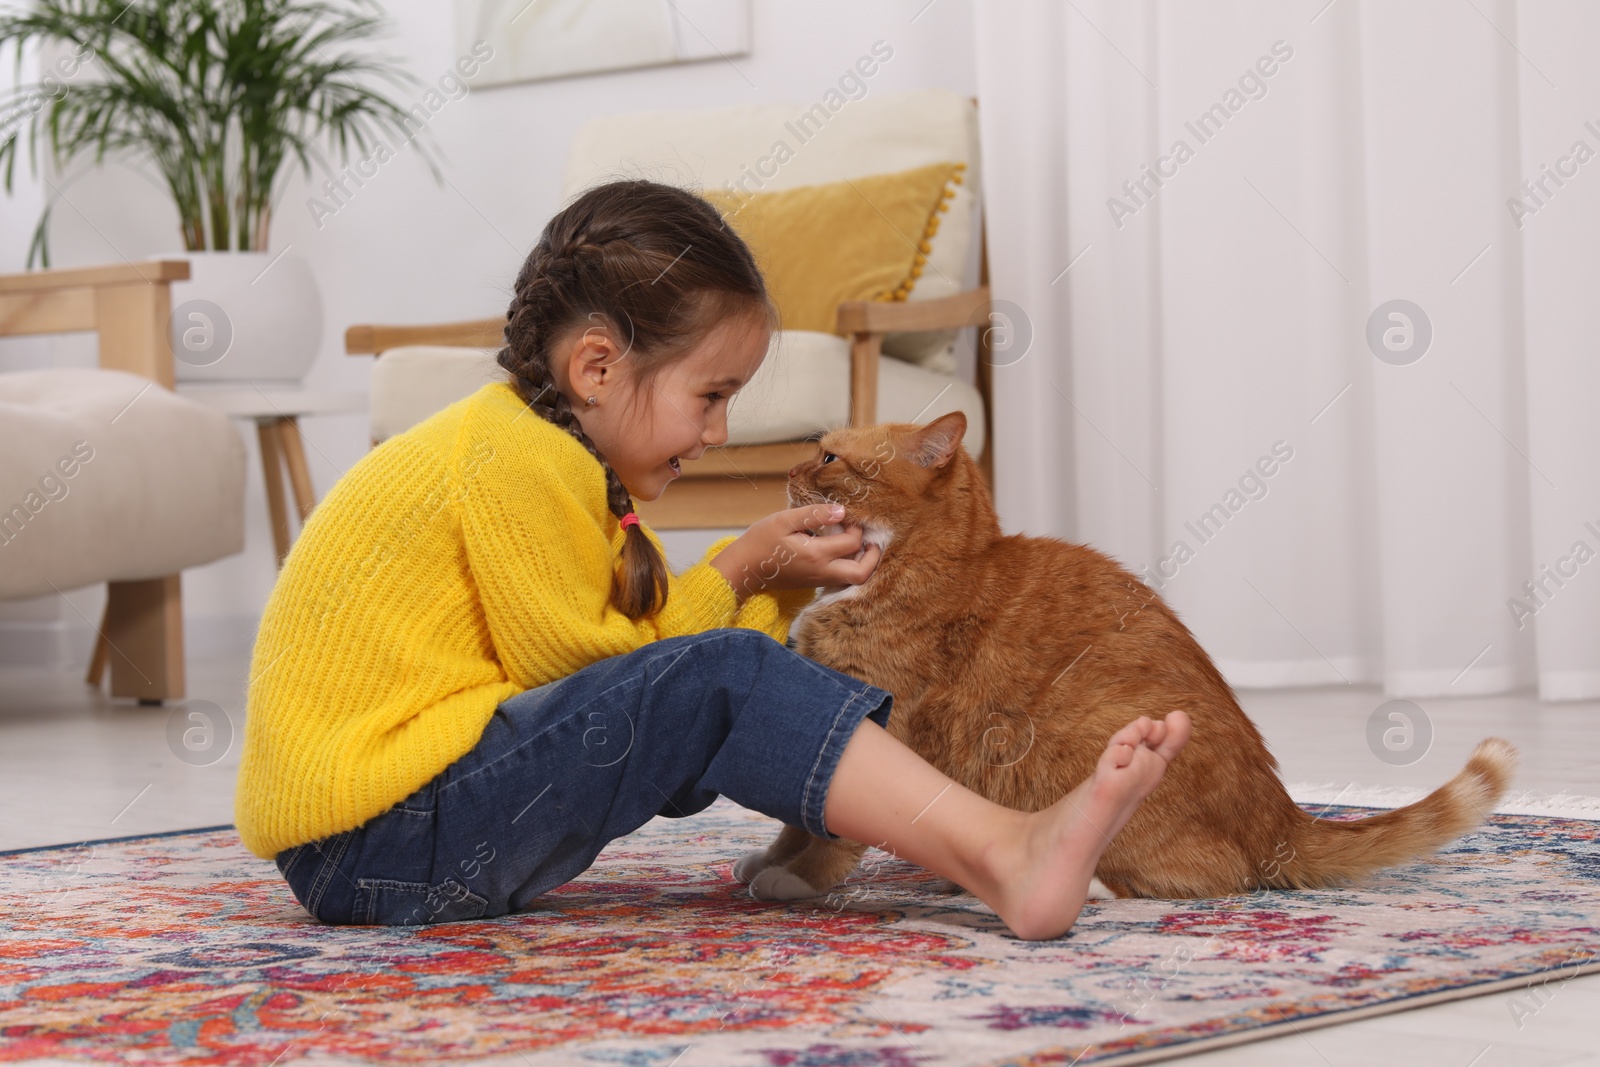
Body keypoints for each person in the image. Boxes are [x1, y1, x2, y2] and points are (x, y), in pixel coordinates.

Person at [234, 179, 1191, 942]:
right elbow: (594, 670)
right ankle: (1003, 852)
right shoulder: (508, 458)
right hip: (373, 842)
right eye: (712, 393)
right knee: (721, 675)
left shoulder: (562, 467)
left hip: (401, 830)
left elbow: (647, 668)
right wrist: (741, 568)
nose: (722, 429)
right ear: (598, 368)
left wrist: (762, 578)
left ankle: (989, 844)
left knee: (724, 677)